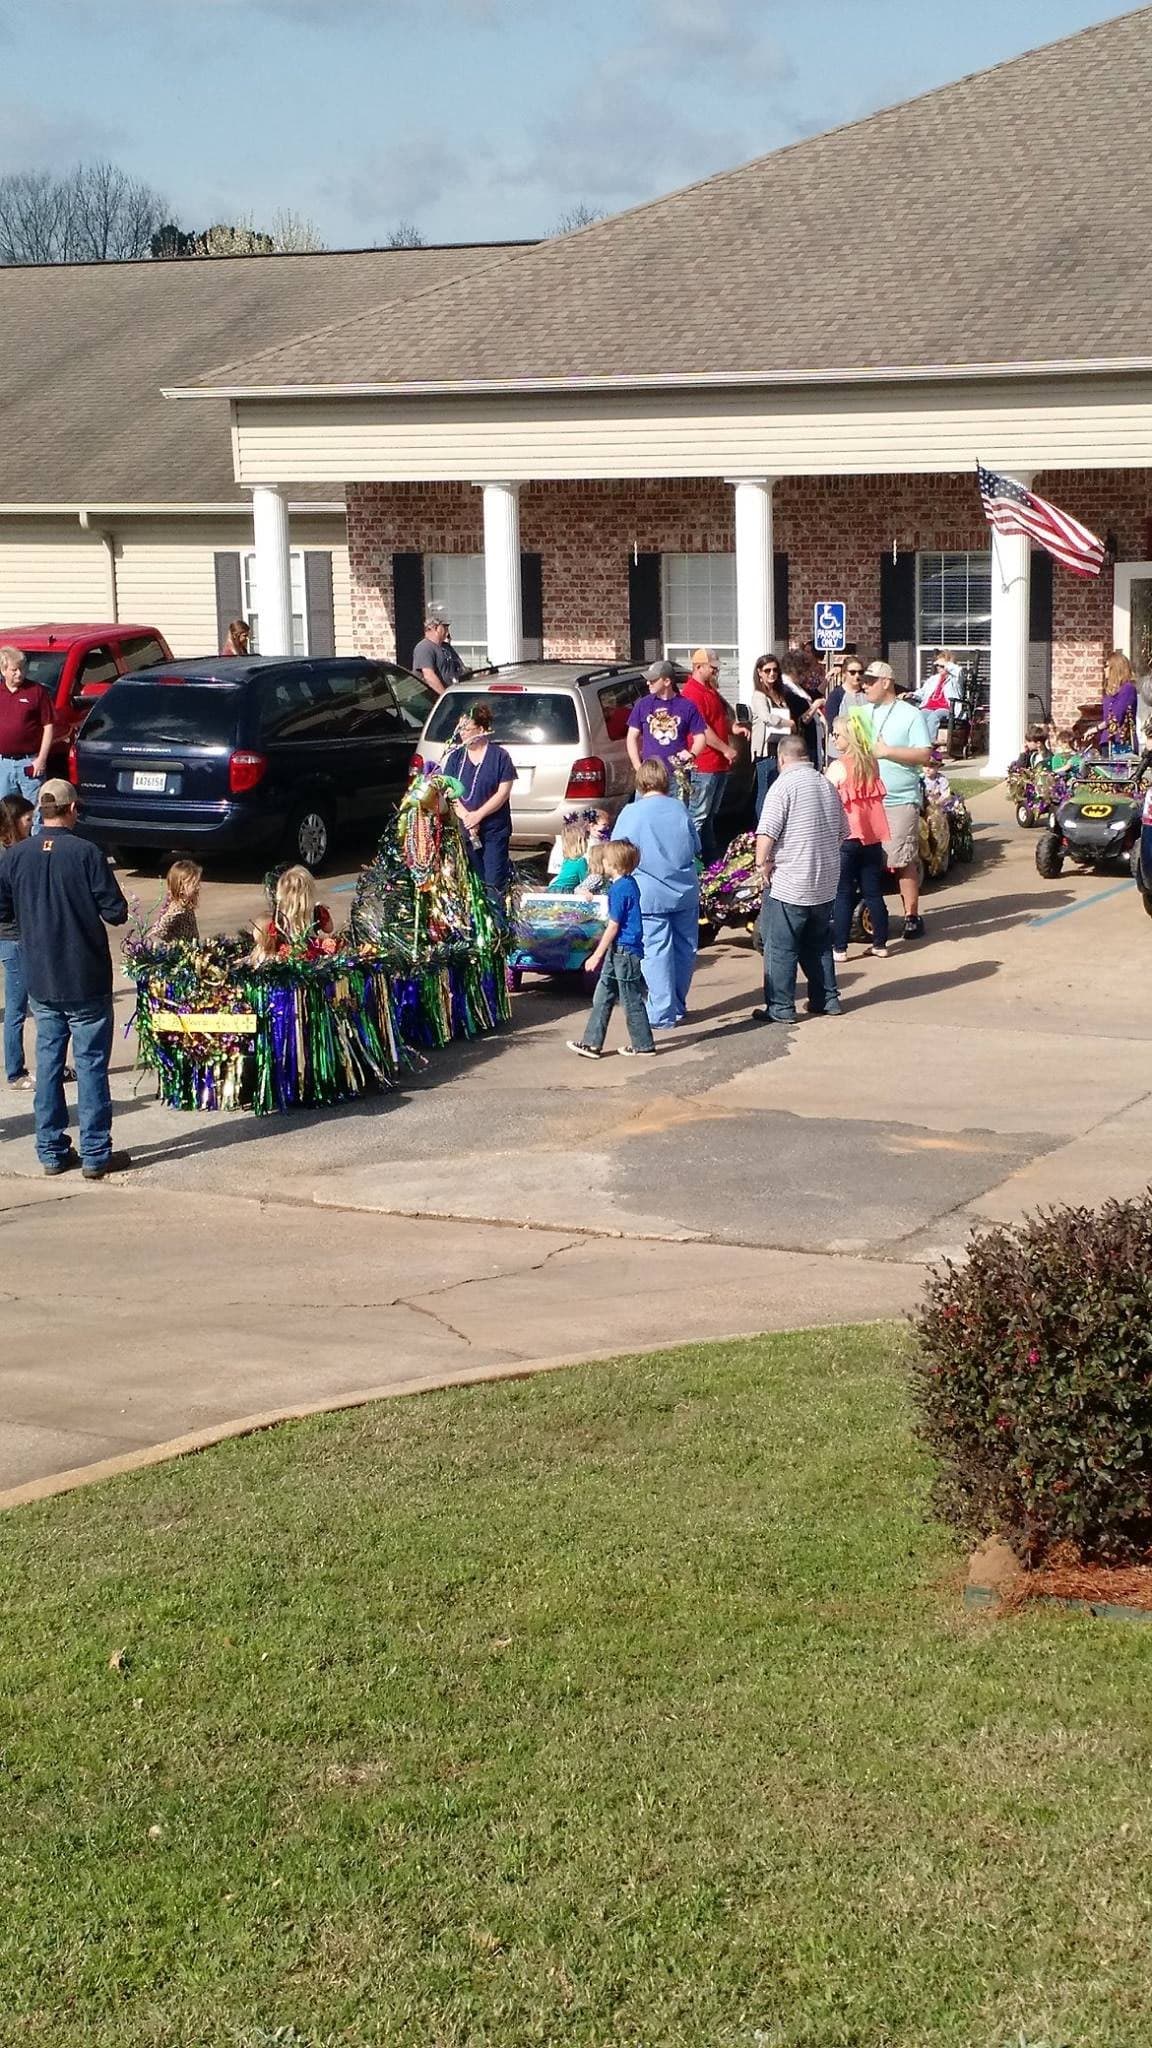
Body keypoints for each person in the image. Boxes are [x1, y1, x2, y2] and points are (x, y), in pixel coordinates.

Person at [0, 778, 129, 1178]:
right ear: (72, 810)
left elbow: (3, 912)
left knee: (50, 1064)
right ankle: (95, 1153)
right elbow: (115, 912)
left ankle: (52, 1151)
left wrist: (32, 929)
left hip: (42, 975)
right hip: (84, 974)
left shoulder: (15, 856)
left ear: (40, 812)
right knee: (90, 1066)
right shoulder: (87, 853)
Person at [752, 735, 847, 1023]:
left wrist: (762, 864)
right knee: (818, 942)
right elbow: (843, 830)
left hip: (791, 881)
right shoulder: (825, 784)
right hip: (825, 880)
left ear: (781, 759)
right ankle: (826, 999)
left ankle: (780, 1007)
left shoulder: (783, 786)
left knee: (779, 945)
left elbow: (767, 832)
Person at [611, 757, 700, 1030]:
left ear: (640, 782)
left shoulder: (631, 813)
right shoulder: (680, 809)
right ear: (666, 780)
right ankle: (677, 1004)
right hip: (684, 889)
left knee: (656, 951)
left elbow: (616, 851)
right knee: (685, 949)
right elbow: (695, 846)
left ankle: (662, 1012)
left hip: (648, 891)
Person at [853, 660, 932, 941]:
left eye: (870, 681)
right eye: (864, 680)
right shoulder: (860, 713)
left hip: (898, 797)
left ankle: (912, 915)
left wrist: (887, 752)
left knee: (900, 858)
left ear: (886, 682)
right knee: (863, 859)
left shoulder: (910, 714)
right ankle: (871, 912)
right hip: (865, 798)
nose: (865, 685)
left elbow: (924, 755)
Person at [566, 840, 654, 1060]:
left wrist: (596, 955)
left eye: (605, 858)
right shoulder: (627, 884)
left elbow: (614, 925)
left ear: (614, 863)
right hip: (621, 951)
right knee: (603, 995)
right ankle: (591, 1043)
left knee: (630, 999)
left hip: (623, 951)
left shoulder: (619, 888)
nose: (601, 862)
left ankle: (643, 1045)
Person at [825, 717, 891, 962]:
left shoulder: (838, 767)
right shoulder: (871, 763)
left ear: (848, 738)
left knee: (842, 893)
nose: (834, 738)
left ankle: (840, 948)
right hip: (872, 836)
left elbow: (827, 799)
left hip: (847, 837)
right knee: (873, 891)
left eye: (837, 735)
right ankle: (880, 943)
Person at [442, 702, 518, 897]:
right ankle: (477, 926)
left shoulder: (499, 756)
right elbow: (450, 791)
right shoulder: (455, 758)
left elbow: (503, 793)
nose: (462, 734)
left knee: (493, 884)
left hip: (494, 830)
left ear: (481, 730)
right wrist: (467, 818)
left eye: (467, 729)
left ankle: (497, 925)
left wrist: (478, 815)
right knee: (473, 885)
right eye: (460, 729)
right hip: (466, 830)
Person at [625, 660, 727, 787]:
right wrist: (638, 767)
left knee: (676, 807)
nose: (648, 683)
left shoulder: (686, 706)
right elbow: (631, 737)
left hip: (677, 776)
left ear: (667, 682)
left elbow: (700, 736)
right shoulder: (643, 704)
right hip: (649, 776)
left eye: (653, 680)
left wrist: (692, 754)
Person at [680, 647, 738, 864]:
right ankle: (691, 862)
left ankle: (710, 861)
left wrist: (734, 729)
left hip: (718, 765)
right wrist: (725, 748)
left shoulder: (709, 690)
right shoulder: (692, 693)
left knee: (710, 817)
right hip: (704, 764)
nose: (716, 672)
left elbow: (717, 721)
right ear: (698, 667)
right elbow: (702, 729)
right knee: (698, 817)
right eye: (712, 668)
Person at [0, 793, 34, 1087]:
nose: (31, 825)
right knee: (17, 1006)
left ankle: (48, 1065)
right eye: (27, 819)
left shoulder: (15, 852)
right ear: (14, 820)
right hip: (14, 937)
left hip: (16, 936)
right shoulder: (8, 857)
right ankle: (16, 1071)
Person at [0, 645, 54, 806]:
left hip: (29, 761)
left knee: (36, 810)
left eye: (22, 669)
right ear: (3, 671)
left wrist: (41, 759)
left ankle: (36, 833)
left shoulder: (36, 691)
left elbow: (49, 726)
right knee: (6, 810)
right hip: (3, 763)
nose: (19, 673)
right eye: (14, 670)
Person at [251, 865, 337, 962]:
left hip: (285, 957)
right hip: (310, 956)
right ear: (309, 892)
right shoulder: (318, 912)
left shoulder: (278, 918)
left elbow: (259, 937)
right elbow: (329, 928)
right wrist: (323, 911)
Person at [748, 654, 797, 812]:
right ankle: (760, 831)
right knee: (765, 792)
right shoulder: (759, 695)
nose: (771, 674)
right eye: (767, 670)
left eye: (775, 670)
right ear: (759, 672)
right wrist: (787, 723)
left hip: (780, 749)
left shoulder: (780, 695)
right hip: (765, 751)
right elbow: (766, 717)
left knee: (778, 793)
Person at [145, 858, 203, 945]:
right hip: (182, 951)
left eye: (198, 883)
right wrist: (173, 942)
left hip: (191, 947)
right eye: (194, 884)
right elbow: (159, 930)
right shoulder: (177, 909)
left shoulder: (186, 905)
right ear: (181, 887)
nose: (198, 887)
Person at [914, 649, 963, 742]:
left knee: (934, 716)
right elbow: (922, 693)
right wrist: (911, 694)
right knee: (918, 716)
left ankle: (929, 745)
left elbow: (959, 670)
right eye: (937, 665)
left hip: (946, 709)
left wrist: (946, 664)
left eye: (941, 665)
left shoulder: (955, 679)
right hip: (929, 707)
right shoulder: (933, 679)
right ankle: (917, 744)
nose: (938, 667)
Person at [411, 616, 467, 697]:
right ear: (435, 628)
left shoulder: (446, 647)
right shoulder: (424, 647)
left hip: (451, 694)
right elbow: (429, 676)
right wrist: (445, 696)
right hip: (431, 699)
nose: (447, 632)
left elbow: (461, 668)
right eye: (444, 627)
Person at [1098, 649, 1139, 753]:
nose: (1104, 670)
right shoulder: (1110, 692)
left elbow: (1116, 717)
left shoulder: (1128, 689)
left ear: (1115, 668)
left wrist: (1096, 728)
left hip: (1120, 743)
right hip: (1107, 741)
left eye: (1106, 666)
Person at [549, 816, 590, 893]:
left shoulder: (567, 860)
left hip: (554, 887)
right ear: (581, 843)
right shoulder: (581, 861)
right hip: (564, 890)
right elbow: (585, 881)